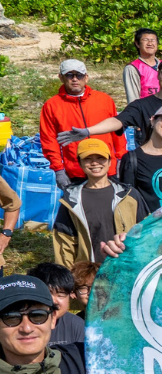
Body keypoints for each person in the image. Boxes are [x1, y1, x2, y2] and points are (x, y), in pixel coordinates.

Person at [51, 139, 140, 267]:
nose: (94, 163)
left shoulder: (129, 195)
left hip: (125, 269)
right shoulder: (71, 201)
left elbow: (145, 231)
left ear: (110, 161)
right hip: (89, 273)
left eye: (100, 158)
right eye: (88, 159)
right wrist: (68, 277)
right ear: (80, 163)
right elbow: (64, 243)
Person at [40, 60, 121, 187]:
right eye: (69, 75)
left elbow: (118, 132)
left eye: (79, 75)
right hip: (75, 171)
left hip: (107, 167)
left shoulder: (104, 100)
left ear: (86, 77)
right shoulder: (51, 105)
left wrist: (121, 158)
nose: (75, 79)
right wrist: (58, 169)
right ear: (61, 77)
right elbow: (49, 140)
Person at [25, 264, 86, 347]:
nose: (54, 301)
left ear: (70, 295)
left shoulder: (77, 325)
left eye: (60, 295)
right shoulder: (23, 325)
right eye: (48, 294)